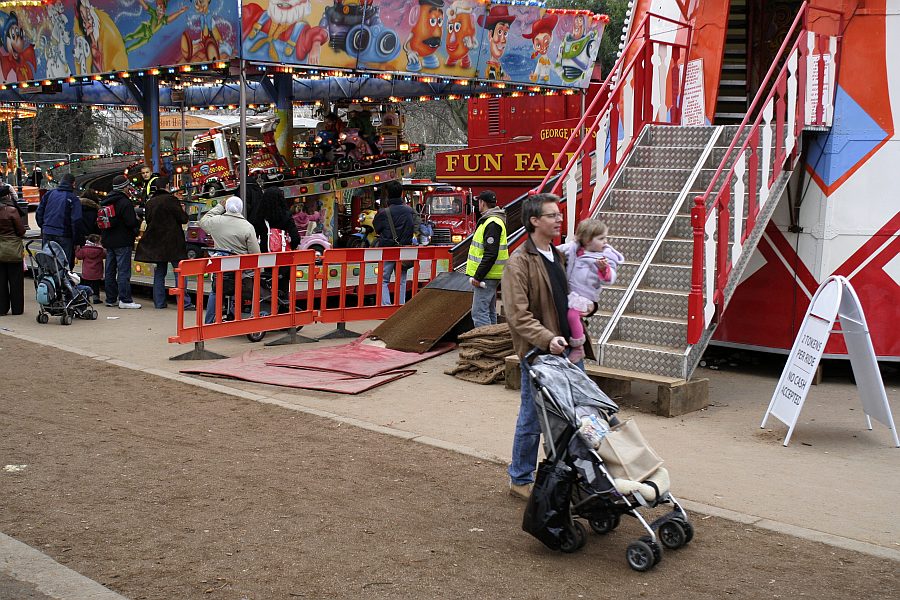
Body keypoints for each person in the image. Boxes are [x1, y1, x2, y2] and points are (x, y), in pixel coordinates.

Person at [501, 193, 575, 500]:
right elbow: (518, 315)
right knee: (532, 417)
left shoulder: (557, 255)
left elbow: (564, 298)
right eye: (552, 216)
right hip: (540, 353)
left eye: (558, 215)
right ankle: (519, 478)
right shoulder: (518, 262)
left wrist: (589, 306)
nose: (559, 219)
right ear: (534, 221)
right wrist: (547, 339)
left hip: (568, 350)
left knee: (570, 417)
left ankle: (562, 476)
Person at [557, 219, 624, 363]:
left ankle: (578, 346)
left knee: (572, 316)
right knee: (568, 315)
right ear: (586, 240)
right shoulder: (574, 249)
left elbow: (610, 278)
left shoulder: (605, 257)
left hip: (585, 296)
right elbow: (560, 249)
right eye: (601, 238)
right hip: (572, 292)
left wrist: (604, 269)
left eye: (605, 237)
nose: (605, 242)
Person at [134, 176, 194, 310]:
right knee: (180, 271)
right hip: (173, 242)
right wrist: (183, 210)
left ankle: (159, 302)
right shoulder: (171, 200)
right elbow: (183, 219)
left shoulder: (150, 202)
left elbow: (148, 220)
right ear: (167, 186)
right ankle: (184, 303)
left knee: (160, 272)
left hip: (157, 242)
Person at [199, 196, 260, 324]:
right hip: (240, 271)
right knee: (241, 287)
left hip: (220, 267)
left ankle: (209, 322)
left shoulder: (216, 222)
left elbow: (203, 221)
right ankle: (237, 315)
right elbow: (255, 253)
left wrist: (219, 207)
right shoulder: (247, 227)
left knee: (215, 292)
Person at [465, 190, 507, 327]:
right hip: (491, 274)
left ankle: (485, 343)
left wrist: (478, 276)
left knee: (479, 313)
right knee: (489, 311)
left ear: (482, 203)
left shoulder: (492, 223)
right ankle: (494, 343)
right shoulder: (493, 221)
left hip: (486, 275)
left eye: (479, 202)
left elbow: (490, 254)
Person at [101, 175, 142, 309]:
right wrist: (137, 222)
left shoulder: (106, 201)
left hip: (108, 240)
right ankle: (125, 299)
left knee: (110, 271)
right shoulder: (124, 202)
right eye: (128, 186)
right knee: (123, 271)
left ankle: (110, 298)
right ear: (124, 188)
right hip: (123, 241)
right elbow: (130, 222)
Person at [373, 180, 415, 306]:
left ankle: (385, 306)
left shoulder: (383, 213)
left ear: (388, 195)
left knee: (383, 279)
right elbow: (413, 227)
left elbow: (377, 228)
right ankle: (400, 306)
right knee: (401, 280)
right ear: (402, 194)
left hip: (388, 250)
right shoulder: (409, 211)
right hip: (404, 250)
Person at [36, 172, 82, 269]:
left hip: (47, 233)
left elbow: (39, 212)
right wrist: (77, 240)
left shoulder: (49, 194)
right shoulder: (73, 199)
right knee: (64, 265)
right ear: (73, 184)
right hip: (64, 235)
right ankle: (62, 283)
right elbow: (76, 221)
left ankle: (48, 282)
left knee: (47, 263)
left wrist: (44, 227)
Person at [0, 185, 25, 315]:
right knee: (16, 280)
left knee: (1, 280)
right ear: (8, 196)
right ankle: (17, 308)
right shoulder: (12, 211)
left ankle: (2, 308)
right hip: (12, 247)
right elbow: (21, 230)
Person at [75, 233, 105, 304]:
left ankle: (86, 298)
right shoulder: (100, 251)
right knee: (96, 286)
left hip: (86, 272)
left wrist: (77, 250)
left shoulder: (84, 250)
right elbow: (105, 255)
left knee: (86, 286)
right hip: (97, 272)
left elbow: (79, 256)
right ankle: (96, 298)